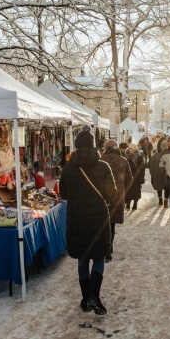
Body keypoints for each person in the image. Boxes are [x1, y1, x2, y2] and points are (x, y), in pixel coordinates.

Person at [59, 129, 116, 315]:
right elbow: (111, 194)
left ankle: (85, 298)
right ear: (93, 145)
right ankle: (94, 295)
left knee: (83, 258)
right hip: (98, 218)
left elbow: (63, 194)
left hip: (76, 219)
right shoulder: (103, 166)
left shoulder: (68, 167)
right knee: (99, 256)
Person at [100, 140, 133, 262]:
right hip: (117, 195)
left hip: (102, 195)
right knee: (112, 224)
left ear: (106, 148)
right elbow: (129, 179)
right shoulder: (123, 160)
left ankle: (104, 249)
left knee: (102, 223)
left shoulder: (101, 159)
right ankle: (108, 249)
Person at [149, 139, 170, 207]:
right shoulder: (156, 155)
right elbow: (151, 165)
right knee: (159, 187)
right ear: (161, 147)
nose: (165, 148)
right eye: (164, 147)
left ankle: (165, 200)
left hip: (166, 174)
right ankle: (160, 199)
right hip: (158, 175)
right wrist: (152, 173)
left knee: (167, 187)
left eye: (166, 147)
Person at [124, 143, 145, 210]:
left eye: (131, 148)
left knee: (136, 191)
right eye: (129, 148)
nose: (130, 150)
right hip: (128, 176)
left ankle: (135, 204)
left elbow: (142, 168)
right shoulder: (126, 157)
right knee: (128, 191)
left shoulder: (139, 157)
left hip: (136, 177)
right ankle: (128, 204)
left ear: (135, 149)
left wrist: (142, 177)